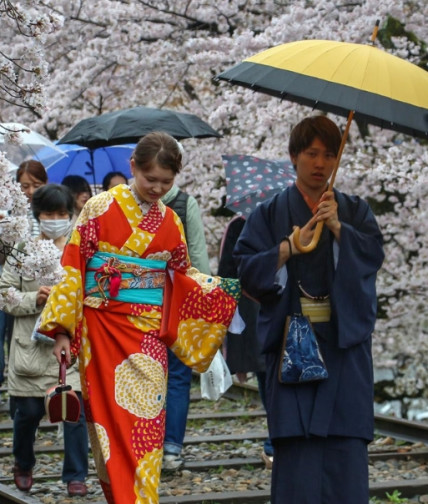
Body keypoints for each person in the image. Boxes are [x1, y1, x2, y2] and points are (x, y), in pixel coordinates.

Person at [37, 131, 240, 504]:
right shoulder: (99, 207)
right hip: (102, 328)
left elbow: (181, 276)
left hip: (148, 336)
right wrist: (63, 330)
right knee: (109, 426)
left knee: (146, 424)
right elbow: (73, 267)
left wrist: (219, 294)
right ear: (133, 167)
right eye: (151, 179)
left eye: (167, 181)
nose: (158, 188)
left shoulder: (171, 223)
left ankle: (142, 499)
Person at [233, 115, 384, 504]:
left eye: (329, 155)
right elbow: (246, 271)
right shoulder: (269, 213)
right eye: (311, 154)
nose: (320, 164)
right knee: (296, 451)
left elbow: (372, 257)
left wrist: (338, 229)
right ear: (293, 156)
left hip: (342, 344)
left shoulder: (354, 211)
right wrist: (286, 247)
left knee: (346, 447)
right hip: (291, 345)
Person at [0, 184, 89, 497]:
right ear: (38, 215)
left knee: (74, 413)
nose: (56, 219)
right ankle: (23, 463)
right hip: (30, 348)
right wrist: (33, 298)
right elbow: (4, 294)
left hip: (67, 348)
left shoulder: (78, 250)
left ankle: (76, 476)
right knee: (28, 414)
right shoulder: (21, 250)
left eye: (63, 213)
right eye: (49, 213)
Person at [161, 183, 211, 470]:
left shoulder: (130, 202)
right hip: (180, 299)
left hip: (143, 302)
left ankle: (146, 444)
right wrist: (203, 301)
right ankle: (171, 449)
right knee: (179, 377)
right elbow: (199, 256)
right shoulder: (184, 202)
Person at [217, 214, 273, 469]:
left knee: (267, 372)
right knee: (271, 372)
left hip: (255, 307)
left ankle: (277, 440)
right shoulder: (293, 218)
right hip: (266, 307)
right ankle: (279, 438)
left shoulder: (240, 224)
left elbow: (226, 273)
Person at [16, 160, 48, 237]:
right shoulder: (10, 212)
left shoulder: (54, 209)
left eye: (36, 186)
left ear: (45, 183)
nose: (31, 191)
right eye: (25, 186)